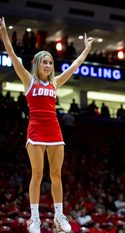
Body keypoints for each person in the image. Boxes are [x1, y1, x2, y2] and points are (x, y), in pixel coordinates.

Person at [0, 16, 95, 233]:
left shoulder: (56, 82)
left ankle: (59, 216)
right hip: (35, 130)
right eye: (45, 62)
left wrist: (86, 48)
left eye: (51, 62)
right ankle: (34, 218)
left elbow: (75, 65)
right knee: (37, 174)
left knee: (56, 174)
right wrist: (3, 33)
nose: (49, 65)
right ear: (37, 64)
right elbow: (13, 56)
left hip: (54, 130)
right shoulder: (28, 80)